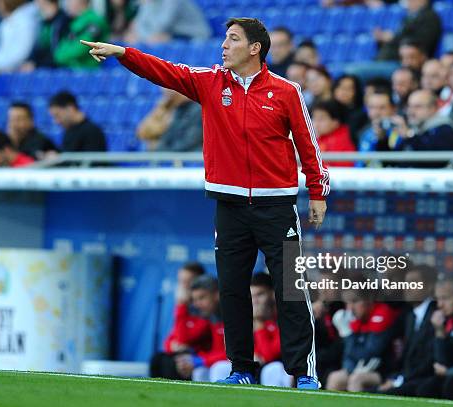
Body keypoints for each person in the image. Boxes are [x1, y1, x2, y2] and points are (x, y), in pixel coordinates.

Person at [81, 16, 330, 390]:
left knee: (291, 288)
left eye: (232, 39)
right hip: (228, 206)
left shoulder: (287, 91)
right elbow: (163, 71)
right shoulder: (209, 81)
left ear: (254, 48)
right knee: (231, 289)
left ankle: (304, 372)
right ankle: (241, 369)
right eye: (224, 39)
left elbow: (309, 146)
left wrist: (318, 192)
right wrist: (123, 53)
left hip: (278, 208)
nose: (224, 46)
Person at [326, 277, 401, 392]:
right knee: (335, 378)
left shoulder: (382, 315)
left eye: (355, 301)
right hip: (358, 369)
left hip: (384, 372)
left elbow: (369, 354)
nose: (350, 308)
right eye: (347, 303)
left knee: (356, 379)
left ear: (369, 299)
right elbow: (347, 359)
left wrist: (347, 335)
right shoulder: (355, 319)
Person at [379, 265, 437, 396]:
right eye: (406, 283)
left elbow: (429, 361)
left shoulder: (436, 314)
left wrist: (400, 380)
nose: (407, 288)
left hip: (424, 381)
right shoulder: (409, 316)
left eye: (413, 283)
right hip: (406, 377)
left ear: (429, 287)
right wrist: (394, 378)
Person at [150, 262, 208, 380]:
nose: (183, 286)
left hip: (199, 357)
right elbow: (171, 339)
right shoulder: (186, 309)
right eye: (181, 281)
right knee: (157, 359)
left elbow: (184, 340)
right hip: (184, 353)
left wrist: (180, 305)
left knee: (173, 362)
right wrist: (171, 345)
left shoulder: (205, 308)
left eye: (188, 282)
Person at [379, 89, 453, 165]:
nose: (411, 111)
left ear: (433, 108)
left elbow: (433, 160)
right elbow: (392, 162)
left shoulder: (445, 129)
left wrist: (408, 135)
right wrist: (382, 139)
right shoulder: (412, 128)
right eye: (409, 106)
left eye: (417, 106)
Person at [136, 88, 202, 151]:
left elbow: (189, 142)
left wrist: (158, 148)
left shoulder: (196, 109)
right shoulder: (163, 106)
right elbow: (143, 132)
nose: (167, 90)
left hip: (186, 157)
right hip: (167, 154)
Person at [54, 0, 108, 69]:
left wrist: (62, 56)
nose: (67, 3)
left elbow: (82, 47)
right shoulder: (72, 22)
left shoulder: (95, 20)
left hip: (91, 72)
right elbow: (60, 52)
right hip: (71, 71)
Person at [126, 0, 210, 44]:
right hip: (173, 36)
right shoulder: (150, 2)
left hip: (194, 37)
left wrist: (144, 37)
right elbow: (139, 26)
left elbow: (161, 26)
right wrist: (148, 38)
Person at [0, 0, 39, 72]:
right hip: (4, 69)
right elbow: (2, 50)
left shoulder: (25, 20)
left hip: (21, 71)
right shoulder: (5, 23)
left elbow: (23, 52)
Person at [25, 0, 70, 69]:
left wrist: (36, 64)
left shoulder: (64, 21)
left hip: (57, 70)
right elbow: (37, 49)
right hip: (41, 67)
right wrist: (30, 61)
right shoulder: (43, 22)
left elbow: (58, 54)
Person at [357, 89, 396, 165]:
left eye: (382, 107)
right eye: (372, 107)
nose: (376, 112)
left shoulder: (400, 133)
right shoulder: (364, 132)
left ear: (393, 109)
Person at [311, 100, 356, 167]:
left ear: (336, 122)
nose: (316, 124)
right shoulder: (318, 137)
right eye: (314, 118)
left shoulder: (343, 140)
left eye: (321, 119)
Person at [332, 74, 368, 140]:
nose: (344, 91)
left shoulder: (361, 114)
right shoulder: (326, 109)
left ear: (356, 91)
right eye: (340, 87)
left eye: (349, 88)